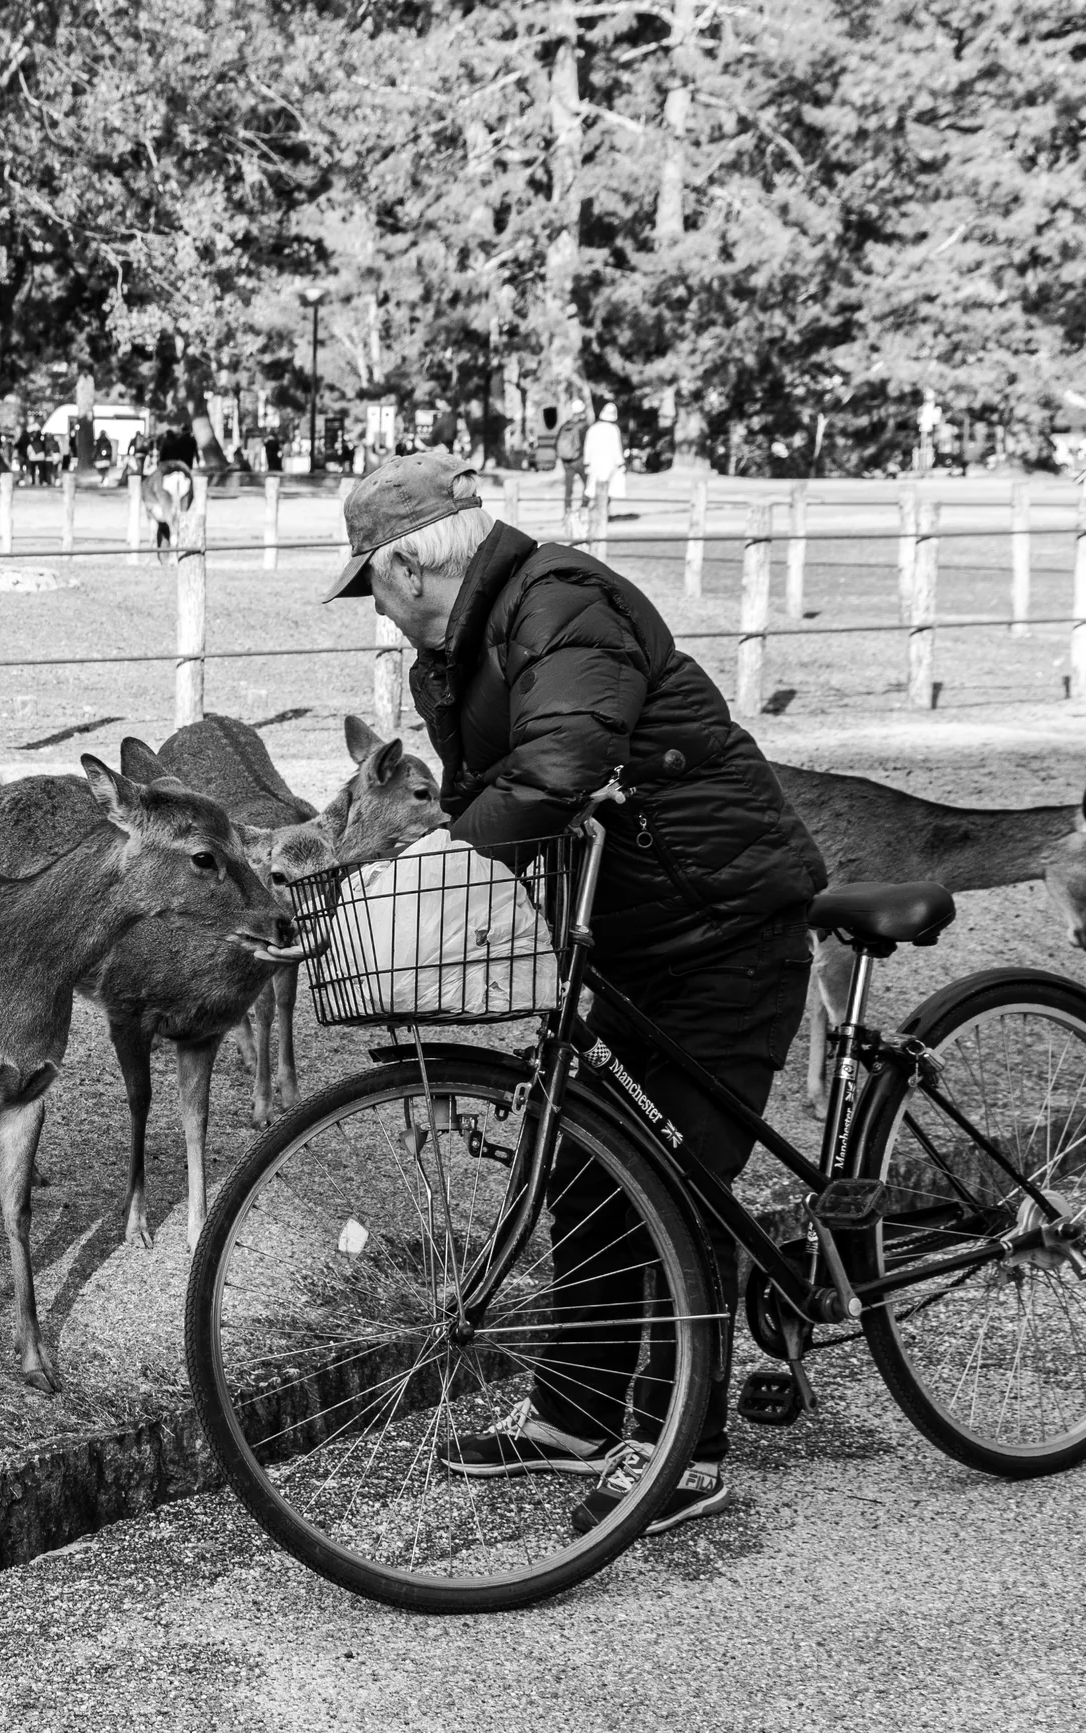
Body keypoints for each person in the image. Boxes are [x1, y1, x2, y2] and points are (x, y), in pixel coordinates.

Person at [321, 451, 826, 1537]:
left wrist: (442, 863)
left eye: (372, 583)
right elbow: (492, 800)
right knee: (588, 1170)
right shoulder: (454, 661)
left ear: (409, 564)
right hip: (628, 937)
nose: (377, 608)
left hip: (724, 922)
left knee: (682, 1180)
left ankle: (679, 1447)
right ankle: (576, 1414)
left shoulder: (561, 606)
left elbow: (557, 766)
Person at [583, 402, 624, 516]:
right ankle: (602, 511)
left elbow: (587, 447)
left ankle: (597, 511)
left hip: (595, 463)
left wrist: (587, 462)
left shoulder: (593, 429)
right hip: (609, 464)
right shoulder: (613, 429)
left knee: (595, 487)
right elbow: (617, 447)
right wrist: (620, 462)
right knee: (607, 488)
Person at [554, 408, 586, 518]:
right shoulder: (581, 427)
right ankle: (584, 508)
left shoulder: (564, 426)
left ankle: (567, 511)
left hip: (566, 461)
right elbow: (583, 444)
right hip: (578, 460)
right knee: (588, 484)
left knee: (569, 488)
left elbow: (556, 442)